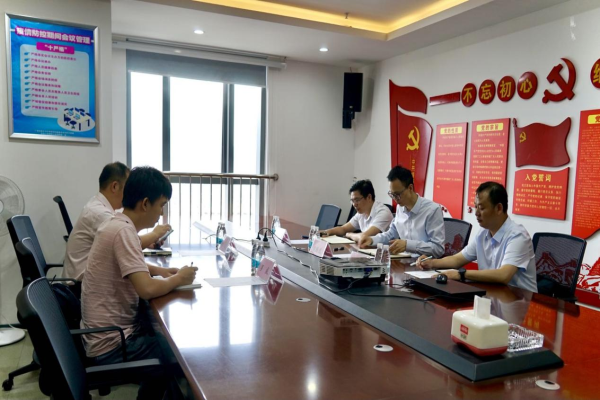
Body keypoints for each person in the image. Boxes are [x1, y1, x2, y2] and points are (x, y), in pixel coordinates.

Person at [81, 166, 197, 400]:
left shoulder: (117, 224)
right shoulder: (123, 231)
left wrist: (161, 271)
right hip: (112, 345)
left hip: (103, 335)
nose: (161, 213)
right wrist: (178, 279)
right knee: (180, 357)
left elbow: (130, 264)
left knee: (162, 336)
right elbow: (146, 289)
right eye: (161, 205)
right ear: (145, 204)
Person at [62, 162, 172, 283]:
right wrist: (155, 234)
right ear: (115, 186)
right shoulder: (100, 214)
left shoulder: (99, 206)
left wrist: (151, 246)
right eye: (129, 186)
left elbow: (128, 245)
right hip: (78, 286)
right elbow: (128, 244)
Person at [417, 182, 537, 292]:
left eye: (482, 208)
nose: (476, 213)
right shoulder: (483, 233)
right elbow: (457, 260)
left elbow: (504, 275)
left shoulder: (517, 236)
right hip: (493, 294)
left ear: (499, 208)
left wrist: (461, 274)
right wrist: (431, 263)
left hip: (522, 300)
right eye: (475, 207)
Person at [358, 166, 444, 257]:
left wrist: (407, 245)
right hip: (403, 260)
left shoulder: (432, 210)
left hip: (423, 263)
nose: (395, 199)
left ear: (410, 188)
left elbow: (438, 249)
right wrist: (372, 240)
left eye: (398, 194)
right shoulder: (400, 207)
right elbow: (391, 234)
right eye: (392, 194)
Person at [323, 180, 393, 242]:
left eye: (357, 200)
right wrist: (325, 232)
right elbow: (343, 229)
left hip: (382, 251)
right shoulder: (361, 212)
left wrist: (349, 234)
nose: (354, 204)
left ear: (369, 197)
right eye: (352, 201)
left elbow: (364, 236)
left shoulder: (383, 212)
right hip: (367, 249)